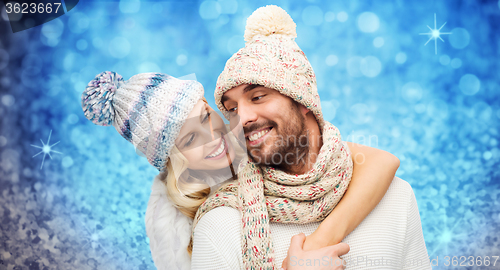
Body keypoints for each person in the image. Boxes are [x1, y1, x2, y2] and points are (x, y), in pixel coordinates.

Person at [190, 5, 431, 270]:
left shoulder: (395, 197)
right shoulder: (220, 223)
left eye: (257, 97)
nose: (241, 118)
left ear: (303, 100)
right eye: (232, 109)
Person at [81, 71, 400, 269]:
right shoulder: (189, 225)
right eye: (191, 138)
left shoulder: (255, 140)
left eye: (206, 116)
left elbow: (382, 161)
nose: (214, 138)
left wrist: (320, 241)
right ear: (173, 160)